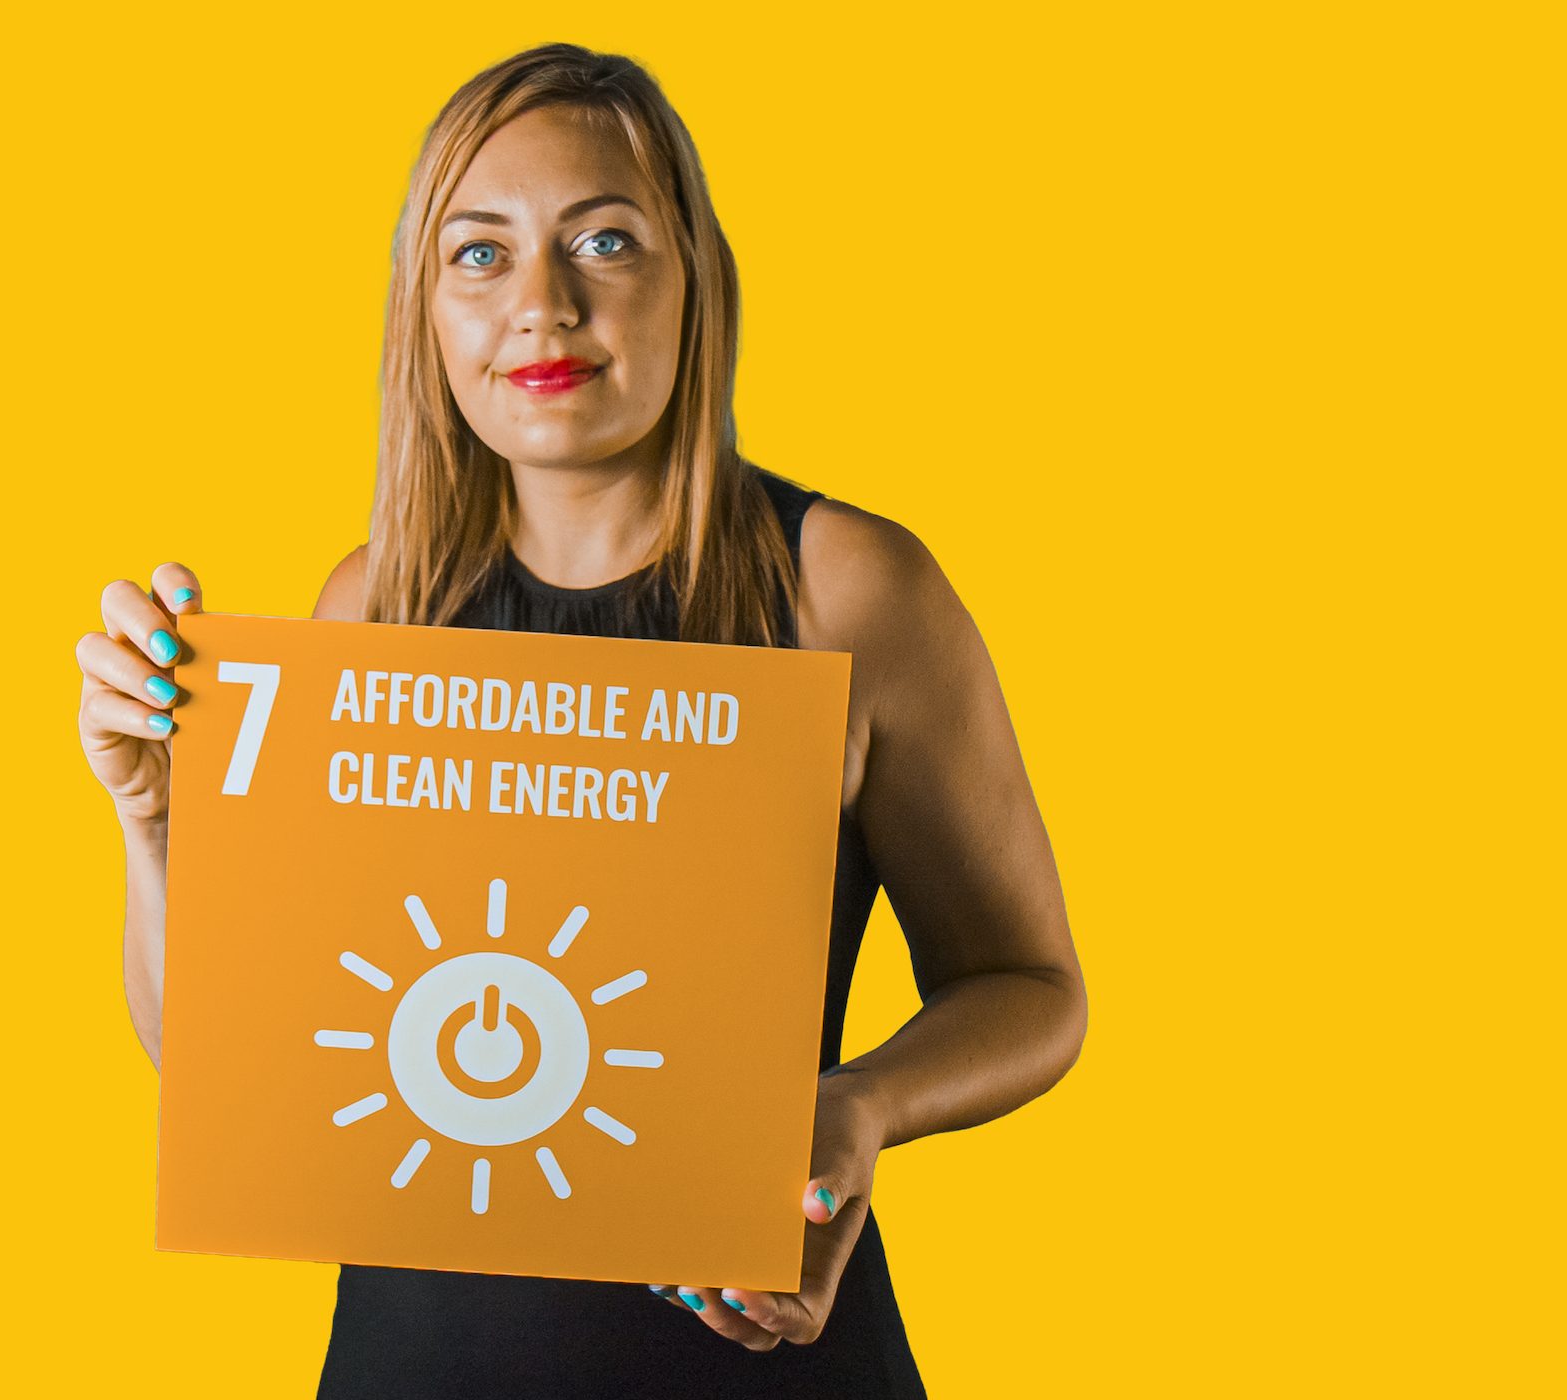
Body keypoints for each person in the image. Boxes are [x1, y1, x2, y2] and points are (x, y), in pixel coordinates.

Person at [75, 42, 1086, 1399]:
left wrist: (858, 1109)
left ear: (697, 279)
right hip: (415, 1364)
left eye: (602, 241)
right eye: (478, 255)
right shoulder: (376, 601)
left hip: (763, 1359)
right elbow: (219, 1064)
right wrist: (156, 822)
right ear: (424, 312)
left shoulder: (847, 586)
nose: (539, 306)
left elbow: (1032, 989)